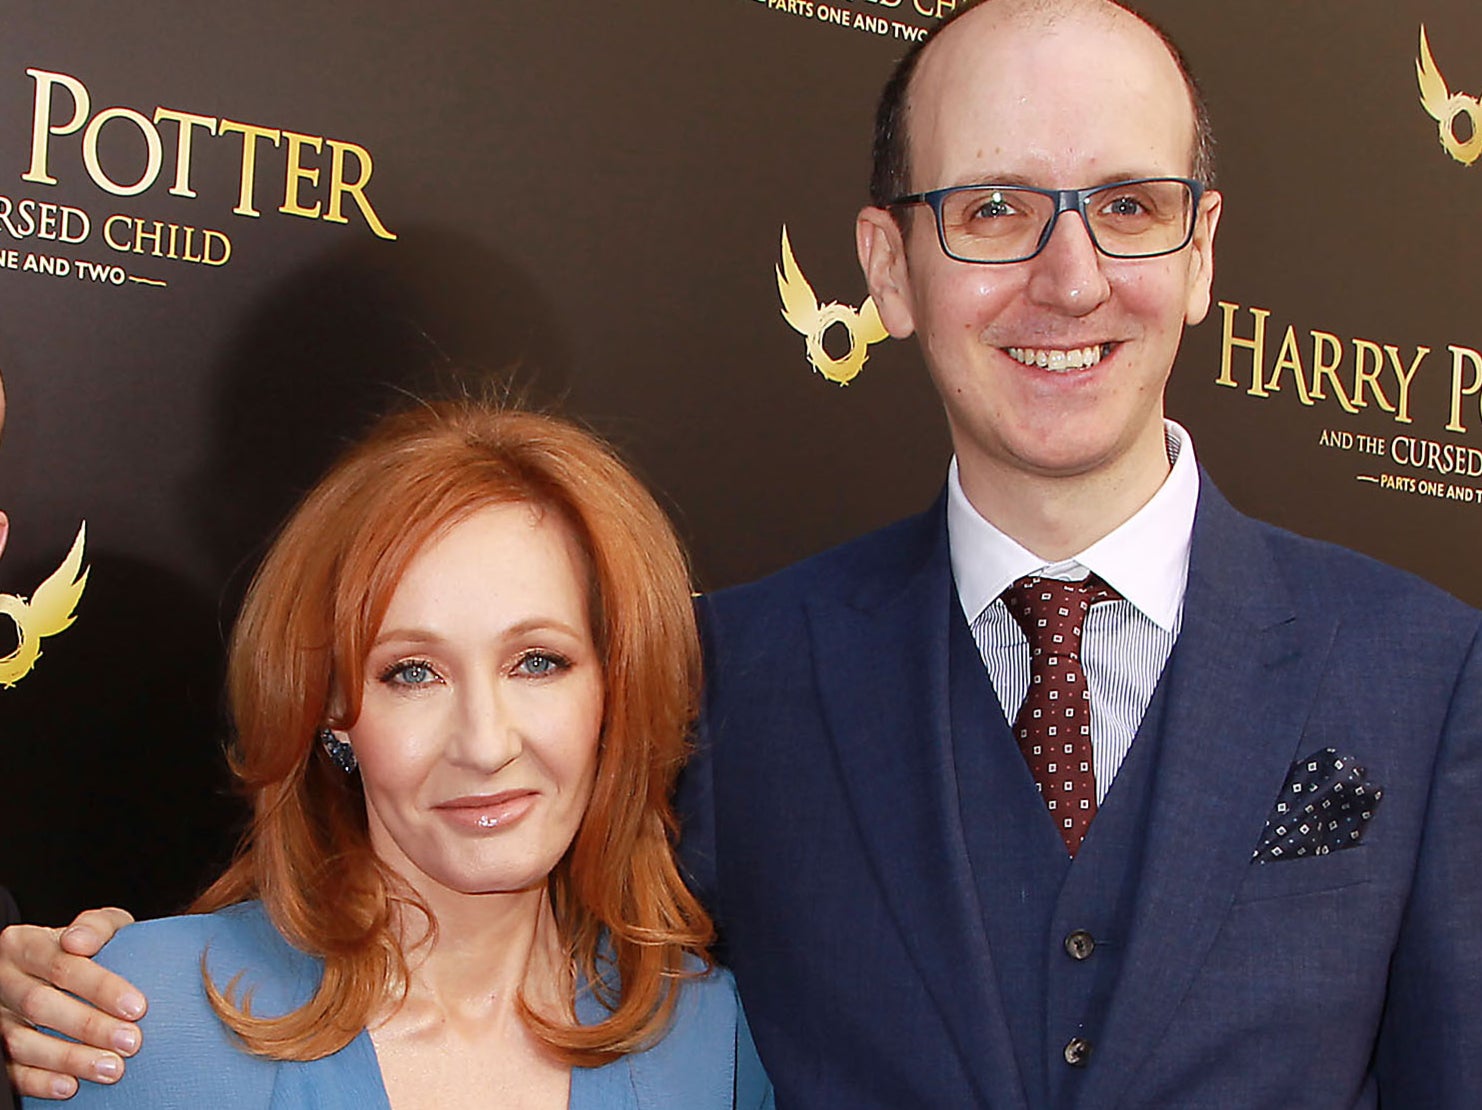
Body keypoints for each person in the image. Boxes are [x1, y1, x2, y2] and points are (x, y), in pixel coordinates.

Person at [5, 0, 1481, 1105]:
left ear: (1203, 252)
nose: (1069, 273)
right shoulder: (735, 669)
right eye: (990, 210)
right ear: (886, 268)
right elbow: (481, 929)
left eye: (1130, 207)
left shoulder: (1422, 672)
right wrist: (56, 985)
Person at [4, 401, 772, 1108]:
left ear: (616, 690)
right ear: (332, 711)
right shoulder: (130, 1021)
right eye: (412, 673)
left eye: (538, 661)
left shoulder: (709, 1040)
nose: (484, 744)